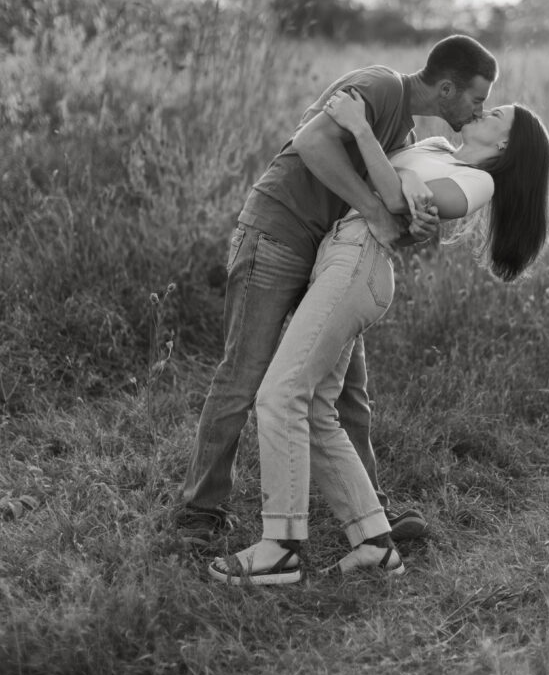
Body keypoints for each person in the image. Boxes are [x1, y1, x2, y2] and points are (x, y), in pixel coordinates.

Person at [209, 90, 549, 585]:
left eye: (497, 113)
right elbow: (391, 186)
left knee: (280, 394)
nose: (483, 109)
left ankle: (279, 548)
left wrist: (363, 131)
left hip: (361, 261)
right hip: (335, 253)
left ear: (506, 145)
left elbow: (395, 199)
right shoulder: (437, 148)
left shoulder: (478, 182)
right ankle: (374, 544)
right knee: (315, 409)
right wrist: (404, 180)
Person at [176, 35, 499, 547]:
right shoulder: (380, 86)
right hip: (278, 233)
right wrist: (376, 210)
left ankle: (373, 513)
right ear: (446, 89)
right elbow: (312, 143)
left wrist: (413, 223)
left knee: (348, 389)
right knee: (244, 374)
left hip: (331, 255)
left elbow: (387, 208)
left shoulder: (407, 132)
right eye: (477, 99)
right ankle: (200, 509)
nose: (479, 111)